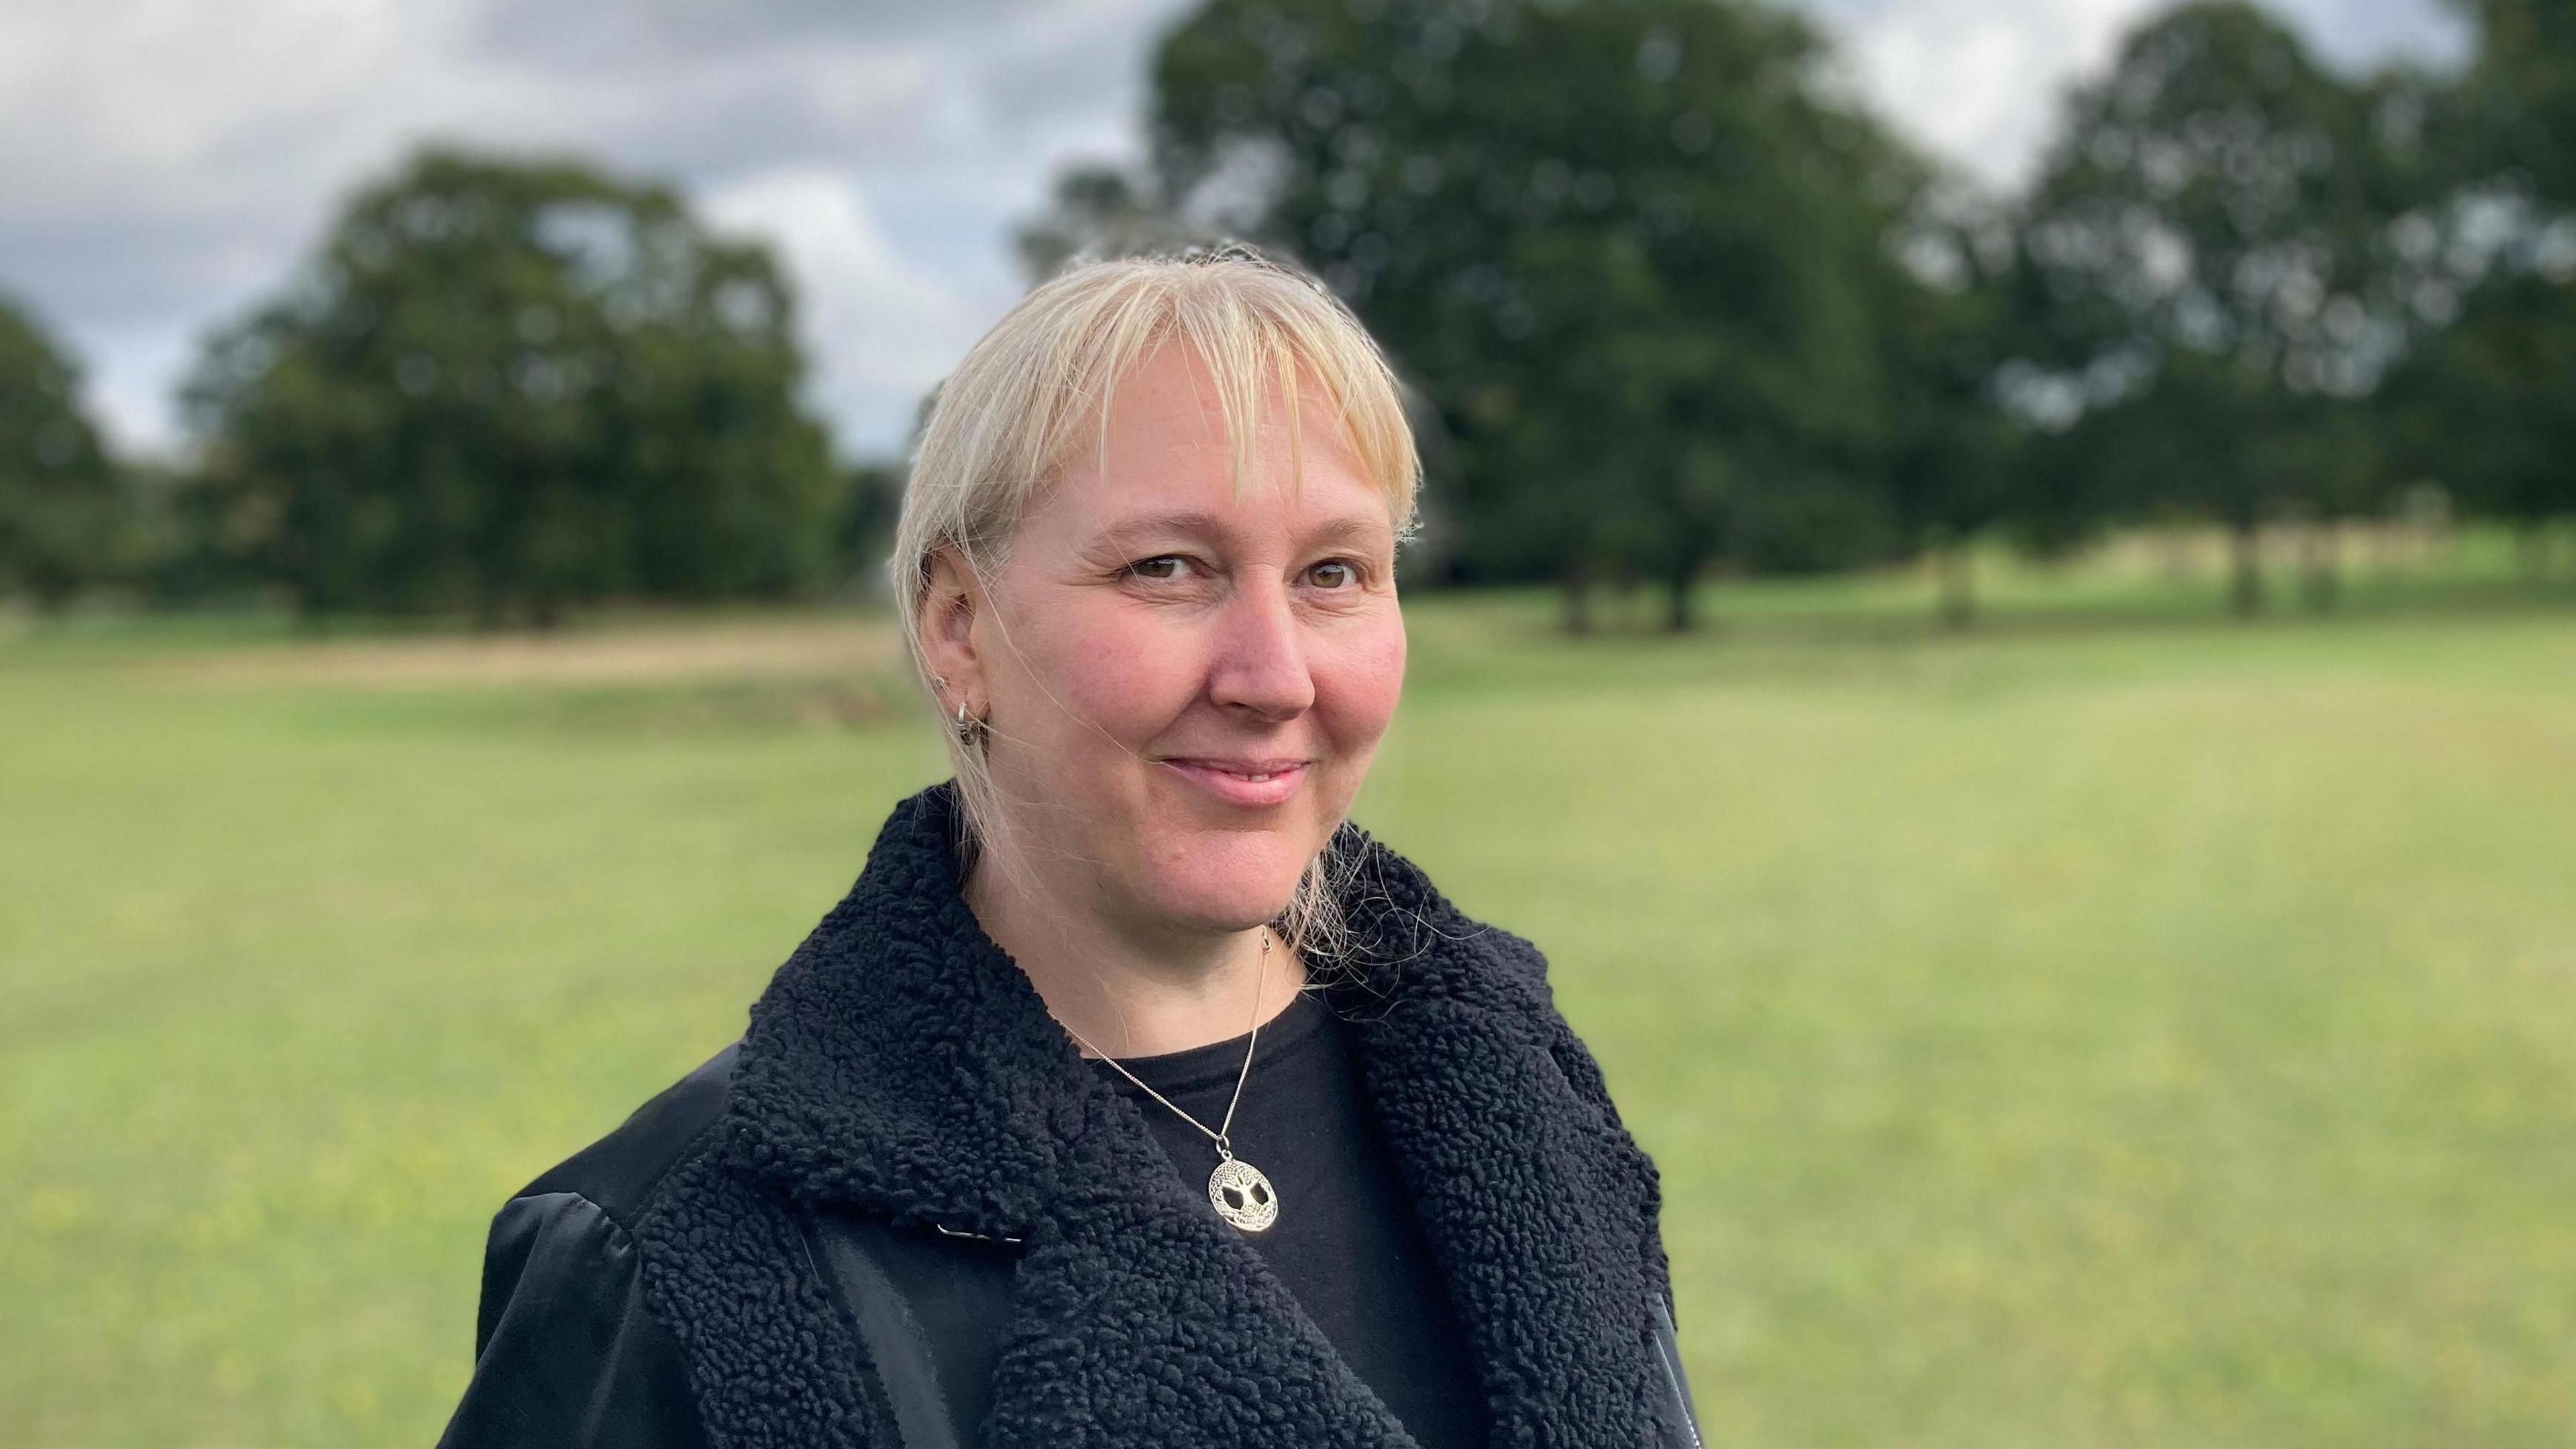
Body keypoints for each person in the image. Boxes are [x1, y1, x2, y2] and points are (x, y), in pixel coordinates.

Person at [434, 243, 1703, 1448]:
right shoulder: (676, 1247)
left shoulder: (1520, 1083)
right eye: (1167, 567)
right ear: (957, 630)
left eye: (1334, 573)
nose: (1275, 676)